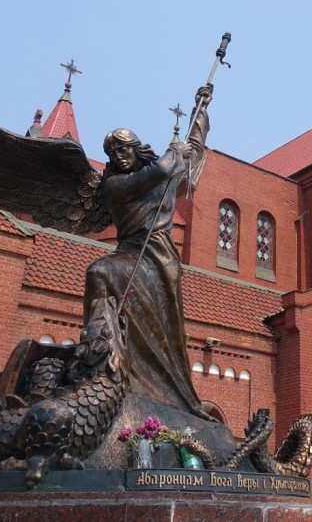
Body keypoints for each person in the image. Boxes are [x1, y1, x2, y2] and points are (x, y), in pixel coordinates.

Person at [83, 84, 213, 419]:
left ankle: (171, 390)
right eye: (112, 153)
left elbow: (194, 150)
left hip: (160, 259)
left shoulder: (165, 178)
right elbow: (164, 168)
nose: (117, 156)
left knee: (167, 334)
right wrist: (176, 150)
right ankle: (99, 360)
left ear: (135, 147)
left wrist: (201, 110)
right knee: (99, 271)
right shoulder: (115, 183)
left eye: (123, 149)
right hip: (130, 254)